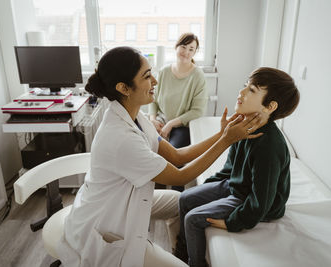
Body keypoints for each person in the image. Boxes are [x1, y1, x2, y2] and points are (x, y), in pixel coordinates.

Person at [56, 46, 263, 267]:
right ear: (124, 88)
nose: (155, 80)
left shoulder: (138, 118)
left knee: (182, 201)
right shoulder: (121, 139)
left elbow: (177, 156)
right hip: (103, 223)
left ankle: (180, 250)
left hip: (124, 200)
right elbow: (181, 176)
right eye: (146, 76)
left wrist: (222, 134)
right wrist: (227, 140)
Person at [175, 67, 300, 267]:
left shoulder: (269, 144)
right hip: (237, 187)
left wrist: (233, 222)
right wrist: (206, 189)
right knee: (185, 197)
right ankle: (181, 248)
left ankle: (194, 263)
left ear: (270, 106)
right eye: (245, 86)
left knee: (193, 219)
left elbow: (262, 200)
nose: (241, 92)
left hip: (250, 198)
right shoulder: (242, 127)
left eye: (251, 90)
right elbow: (230, 169)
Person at [148, 33, 207, 149]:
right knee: (145, 150)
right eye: (183, 47)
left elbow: (197, 111)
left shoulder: (198, 76)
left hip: (182, 126)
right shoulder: (164, 71)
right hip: (161, 121)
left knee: (173, 157)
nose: (186, 52)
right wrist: (153, 120)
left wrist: (170, 124)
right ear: (176, 47)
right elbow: (152, 98)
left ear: (194, 53)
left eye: (191, 49)